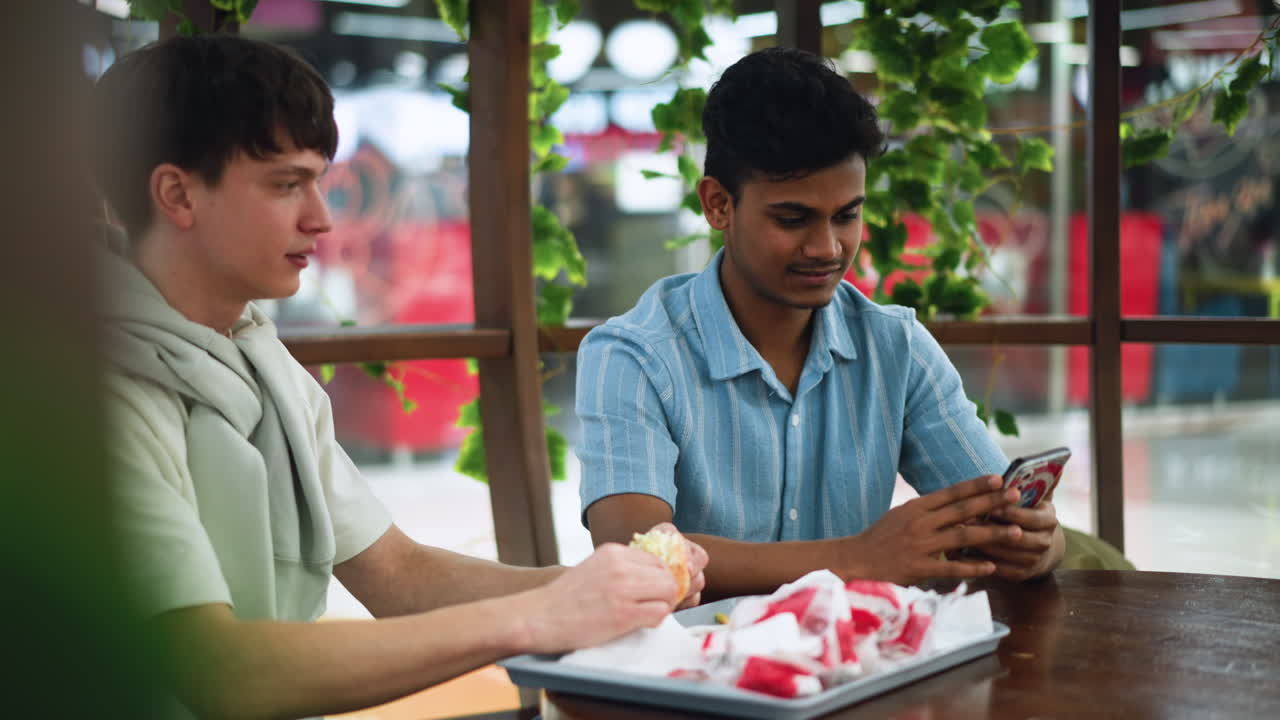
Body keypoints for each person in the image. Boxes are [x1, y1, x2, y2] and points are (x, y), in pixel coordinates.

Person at [92, 34, 707, 720]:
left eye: (321, 180)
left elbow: (395, 572)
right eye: (286, 184)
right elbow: (221, 673)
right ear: (177, 193)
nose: (321, 218)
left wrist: (609, 589)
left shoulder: (258, 359)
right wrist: (541, 616)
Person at [575, 47, 1064, 599]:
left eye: (847, 215)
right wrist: (854, 559)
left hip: (856, 669)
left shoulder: (895, 348)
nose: (827, 248)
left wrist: (1038, 541)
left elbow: (1009, 513)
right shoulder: (634, 355)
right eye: (792, 218)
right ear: (718, 205)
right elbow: (636, 554)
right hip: (692, 670)